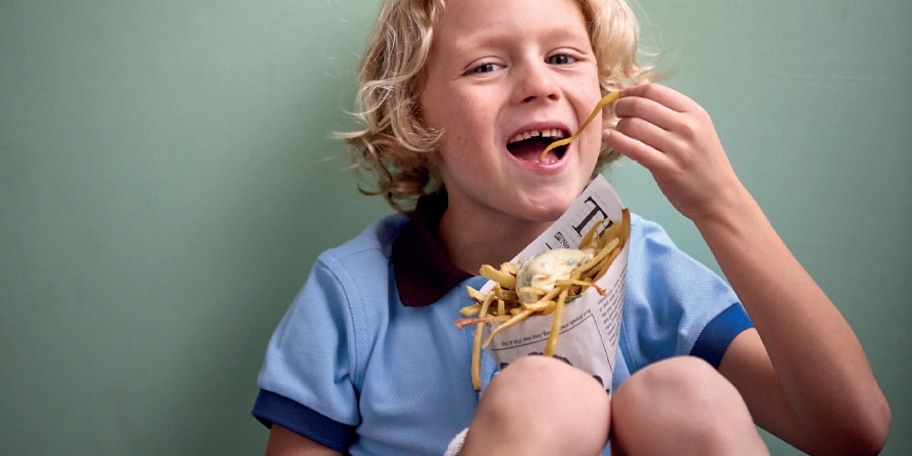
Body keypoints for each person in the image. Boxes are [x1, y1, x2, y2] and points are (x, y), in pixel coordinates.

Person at [252, 0, 892, 454]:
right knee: (548, 395)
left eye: (563, 57)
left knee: (686, 392)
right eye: (485, 66)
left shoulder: (644, 269)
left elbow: (850, 431)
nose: (540, 84)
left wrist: (722, 204)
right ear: (416, 117)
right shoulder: (353, 293)